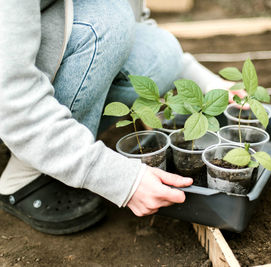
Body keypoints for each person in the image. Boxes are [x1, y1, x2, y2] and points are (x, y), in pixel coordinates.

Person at [0, 0, 238, 234]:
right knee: (106, 19)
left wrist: (208, 83)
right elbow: (12, 95)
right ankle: (24, 174)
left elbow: (139, 25)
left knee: (158, 51)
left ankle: (60, 145)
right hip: (11, 92)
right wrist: (121, 180)